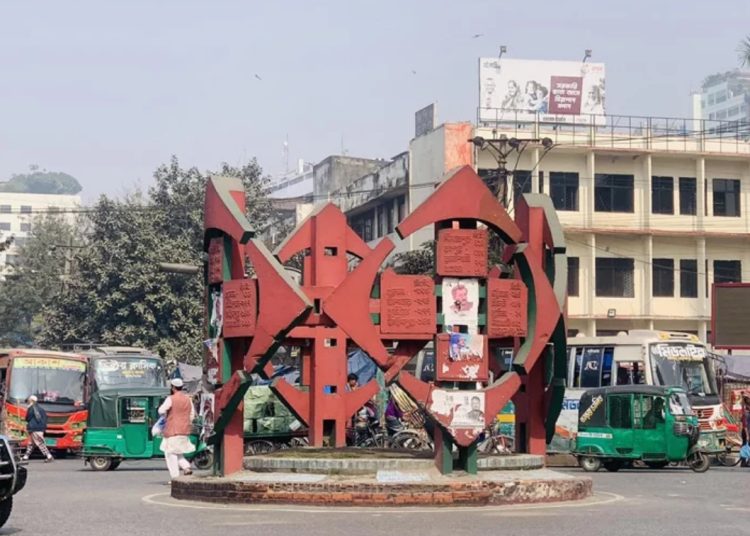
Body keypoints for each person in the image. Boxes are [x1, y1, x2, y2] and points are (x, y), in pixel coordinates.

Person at [158, 378, 196, 480]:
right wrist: (186, 422)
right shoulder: (188, 399)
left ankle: (175, 477)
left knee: (170, 453)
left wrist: (166, 416)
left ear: (173, 387)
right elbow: (192, 414)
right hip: (184, 430)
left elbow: (161, 410)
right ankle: (186, 467)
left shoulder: (171, 398)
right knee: (178, 451)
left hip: (172, 430)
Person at [23, 395, 53, 462]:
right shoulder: (41, 409)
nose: (28, 401)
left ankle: (49, 456)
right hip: (40, 428)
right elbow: (45, 419)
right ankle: (26, 456)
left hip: (34, 428)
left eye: (29, 400)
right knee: (31, 443)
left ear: (32, 401)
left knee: (39, 442)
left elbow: (27, 418)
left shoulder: (31, 408)